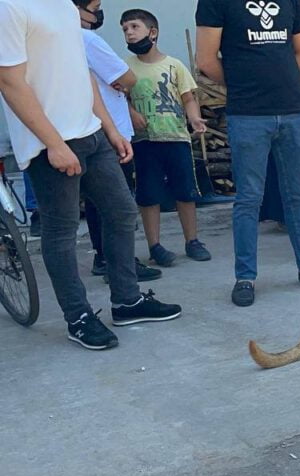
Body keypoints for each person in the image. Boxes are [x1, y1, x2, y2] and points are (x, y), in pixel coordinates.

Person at [0, 0, 181, 349]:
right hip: (50, 141)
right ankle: (78, 317)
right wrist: (53, 143)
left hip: (90, 132)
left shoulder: (65, 8)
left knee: (121, 212)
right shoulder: (11, 7)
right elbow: (10, 82)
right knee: (62, 231)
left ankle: (127, 302)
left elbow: (80, 72)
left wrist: (110, 128)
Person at [197, 0, 300, 307]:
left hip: (294, 111)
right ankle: (245, 277)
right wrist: (246, 82)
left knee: (297, 195)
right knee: (249, 198)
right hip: (249, 113)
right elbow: (206, 60)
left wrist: (277, 81)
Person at [72, 0, 161, 282]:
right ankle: (120, 263)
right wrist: (123, 79)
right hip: (113, 131)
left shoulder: (63, 40)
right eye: (95, 5)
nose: (98, 12)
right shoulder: (87, 38)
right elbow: (128, 77)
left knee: (99, 202)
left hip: (94, 126)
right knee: (118, 205)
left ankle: (104, 257)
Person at [120, 9, 211, 268]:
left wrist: (194, 119)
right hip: (144, 141)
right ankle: (155, 246)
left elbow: (188, 97)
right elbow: (119, 98)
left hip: (176, 138)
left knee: (185, 191)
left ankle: (192, 240)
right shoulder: (125, 67)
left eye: (134, 27)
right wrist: (132, 113)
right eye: (125, 29)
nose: (129, 33)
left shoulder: (174, 65)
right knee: (148, 194)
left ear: (153, 32)